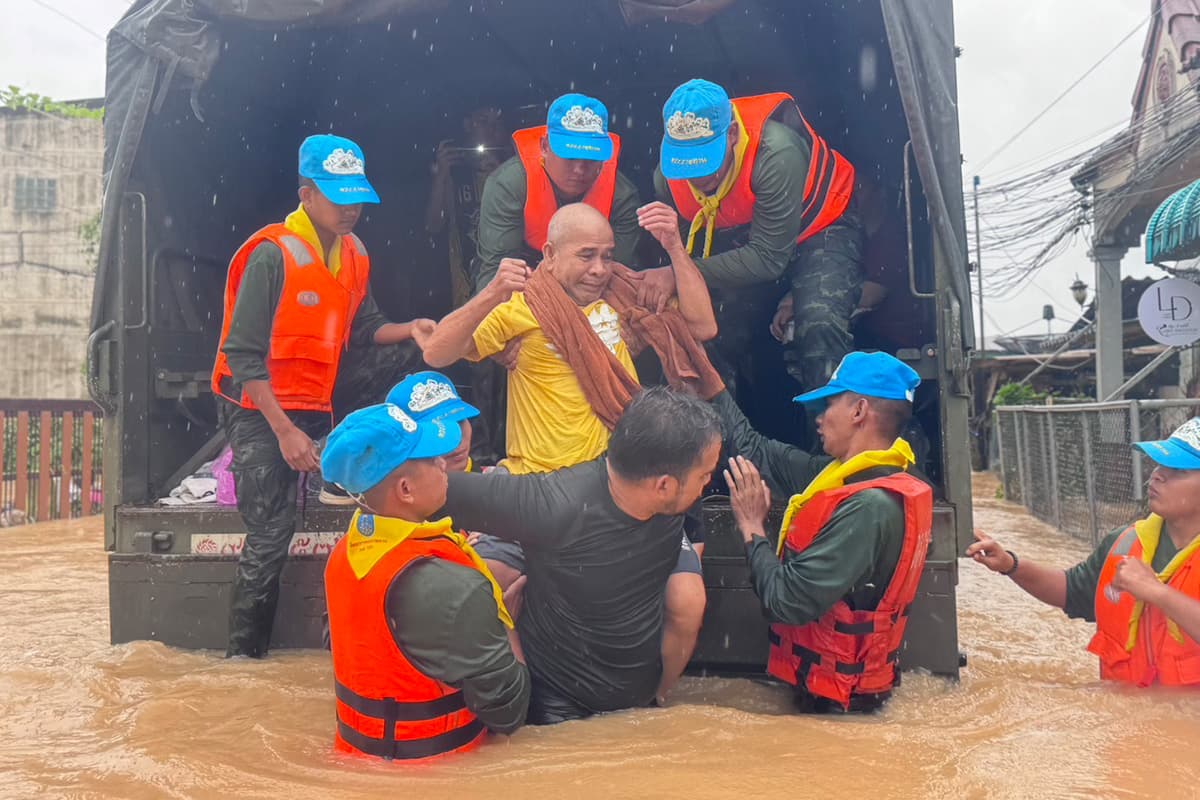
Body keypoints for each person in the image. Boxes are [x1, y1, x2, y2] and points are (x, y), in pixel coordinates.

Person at [422, 202, 722, 697]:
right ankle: (510, 699)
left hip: (612, 492)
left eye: (607, 255)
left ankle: (656, 700)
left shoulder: (622, 297)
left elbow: (703, 326)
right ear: (549, 254)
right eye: (586, 256)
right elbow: (436, 352)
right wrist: (493, 292)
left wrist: (673, 248)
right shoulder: (521, 308)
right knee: (481, 586)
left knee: (688, 599)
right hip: (536, 490)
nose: (600, 269)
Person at [211, 134, 436, 659]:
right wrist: (285, 432)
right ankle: (242, 660)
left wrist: (411, 329)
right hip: (258, 406)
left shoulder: (354, 253)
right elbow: (242, 357)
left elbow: (367, 328)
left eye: (356, 198)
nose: (350, 210)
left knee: (409, 353)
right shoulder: (272, 255)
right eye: (338, 198)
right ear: (307, 195)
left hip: (317, 398)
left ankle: (345, 462)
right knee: (271, 534)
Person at [438, 387, 723, 723]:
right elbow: (422, 490)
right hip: (559, 702)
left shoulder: (672, 507)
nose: (708, 483)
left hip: (641, 699)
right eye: (704, 476)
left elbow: (686, 605)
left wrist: (659, 695)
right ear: (663, 486)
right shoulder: (554, 504)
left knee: (688, 599)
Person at [719, 351, 933, 712]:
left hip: (838, 711)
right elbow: (759, 451)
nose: (818, 418)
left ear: (859, 411)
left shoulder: (869, 507)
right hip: (832, 698)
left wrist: (752, 526)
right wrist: (712, 389)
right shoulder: (851, 476)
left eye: (829, 404)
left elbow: (785, 602)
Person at [320, 403, 529, 760]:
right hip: (440, 771)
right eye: (433, 459)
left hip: (358, 758)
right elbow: (510, 712)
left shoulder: (343, 554)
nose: (444, 464)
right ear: (405, 489)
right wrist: (506, 624)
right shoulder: (455, 589)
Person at [639, 78, 863, 401]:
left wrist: (675, 275)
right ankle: (711, 431)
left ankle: (832, 429)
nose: (698, 177)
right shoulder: (667, 177)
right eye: (686, 163)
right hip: (745, 237)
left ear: (731, 134)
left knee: (819, 324)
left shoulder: (776, 153)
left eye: (706, 160)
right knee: (706, 331)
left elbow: (768, 259)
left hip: (820, 226)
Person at [968, 418, 1200, 687]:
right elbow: (1071, 590)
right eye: (1159, 463)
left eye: (1178, 470)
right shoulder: (1124, 543)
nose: (1157, 474)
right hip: (1124, 711)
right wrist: (1010, 564)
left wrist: (1156, 591)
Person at [473, 93, 641, 293]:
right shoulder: (508, 185)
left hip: (592, 287)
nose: (579, 169)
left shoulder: (622, 196)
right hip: (525, 277)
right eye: (569, 156)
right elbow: (495, 274)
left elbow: (619, 274)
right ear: (545, 147)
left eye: (590, 158)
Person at [425, 106, 511, 309]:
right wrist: (441, 175)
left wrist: (502, 178)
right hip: (466, 290)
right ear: (467, 125)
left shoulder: (513, 167)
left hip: (508, 287)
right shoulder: (455, 171)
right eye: (483, 121)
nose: (491, 130)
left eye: (497, 123)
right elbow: (433, 225)